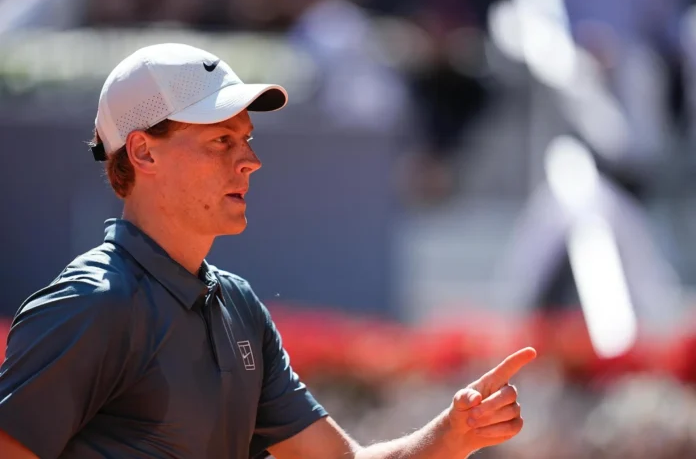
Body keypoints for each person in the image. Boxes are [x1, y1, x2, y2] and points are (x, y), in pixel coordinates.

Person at [0, 43, 536, 459]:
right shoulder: (91, 304)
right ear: (143, 152)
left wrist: (451, 435)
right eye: (221, 140)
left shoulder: (239, 306)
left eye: (247, 139)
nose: (250, 161)